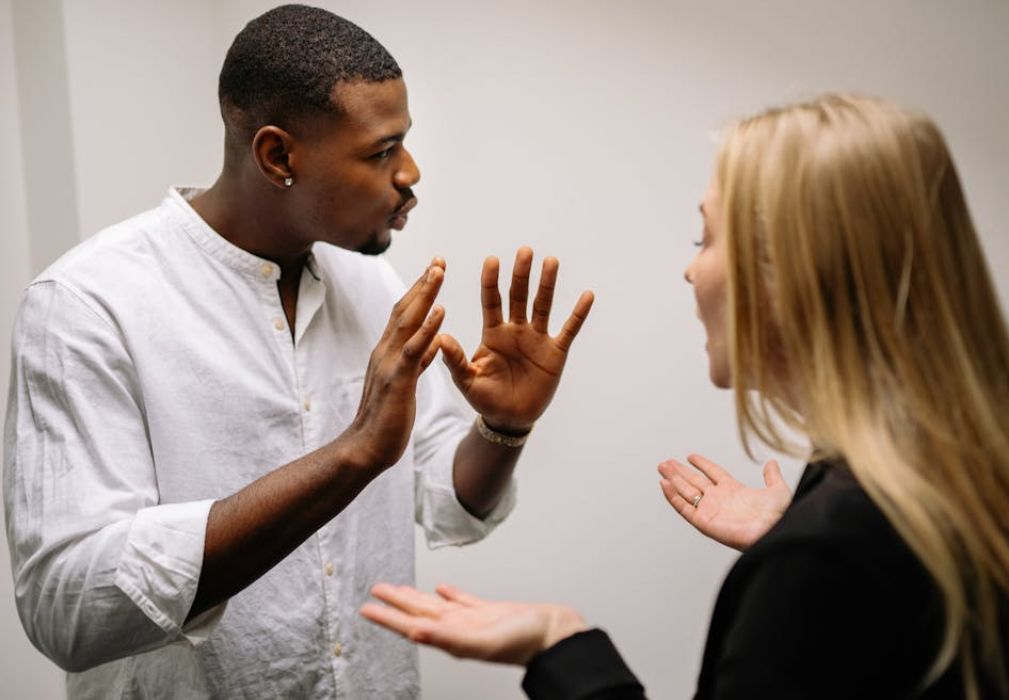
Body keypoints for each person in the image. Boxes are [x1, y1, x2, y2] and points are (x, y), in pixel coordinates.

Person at [359, 94, 1009, 699]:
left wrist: (559, 644)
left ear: (789, 273)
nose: (691, 271)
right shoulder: (982, 474)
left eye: (705, 239)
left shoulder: (830, 552)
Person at [4, 4, 593, 698]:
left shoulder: (372, 283)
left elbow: (446, 499)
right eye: (381, 151)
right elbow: (69, 608)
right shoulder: (88, 305)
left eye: (404, 143)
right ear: (278, 156)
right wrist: (350, 455)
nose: (410, 172)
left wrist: (504, 428)